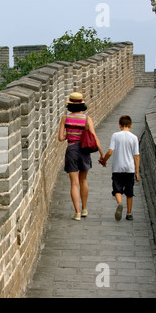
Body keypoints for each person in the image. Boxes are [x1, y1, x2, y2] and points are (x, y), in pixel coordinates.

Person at [58, 92, 105, 221]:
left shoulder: (65, 119)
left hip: (71, 150)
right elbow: (94, 137)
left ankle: (77, 212)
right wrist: (102, 154)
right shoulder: (87, 119)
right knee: (83, 180)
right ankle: (84, 209)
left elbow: (60, 138)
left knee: (74, 183)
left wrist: (70, 135)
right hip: (84, 150)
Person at [99, 115, 140, 221]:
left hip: (117, 168)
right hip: (130, 168)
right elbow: (136, 156)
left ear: (119, 125)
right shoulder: (134, 138)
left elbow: (110, 151)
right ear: (130, 125)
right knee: (129, 192)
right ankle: (129, 213)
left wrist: (104, 161)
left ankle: (120, 203)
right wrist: (137, 172)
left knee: (117, 189)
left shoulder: (115, 135)